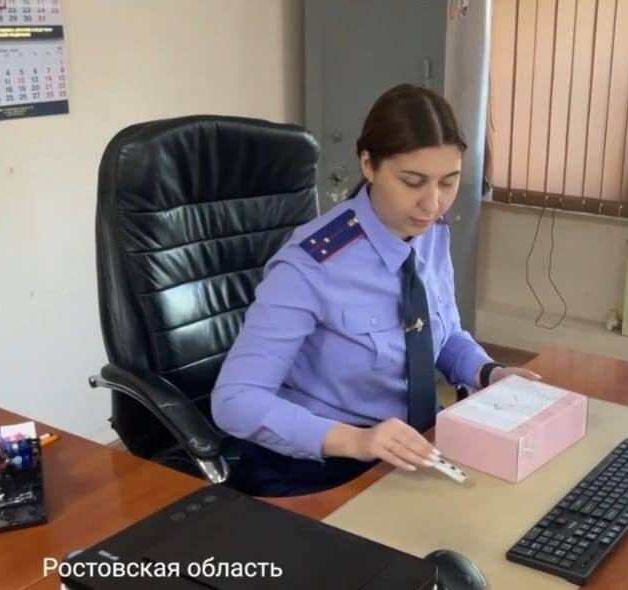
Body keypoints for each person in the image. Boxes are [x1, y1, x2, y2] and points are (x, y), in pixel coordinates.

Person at [212, 83, 540, 496]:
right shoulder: (311, 264)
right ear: (368, 165)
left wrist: (490, 372)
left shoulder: (432, 233)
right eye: (413, 181)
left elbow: (441, 335)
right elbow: (235, 399)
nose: (433, 204)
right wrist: (360, 441)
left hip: (413, 449)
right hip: (325, 469)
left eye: (448, 182)